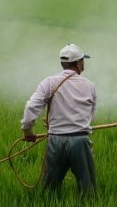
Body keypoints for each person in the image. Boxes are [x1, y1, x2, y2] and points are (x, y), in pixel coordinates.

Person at [20, 44, 97, 197]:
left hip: (56, 140)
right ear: (79, 63)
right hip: (80, 141)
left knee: (49, 191)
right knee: (88, 191)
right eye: (83, 60)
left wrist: (27, 131)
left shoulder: (49, 82)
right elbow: (90, 116)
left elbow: (31, 107)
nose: (84, 64)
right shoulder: (89, 86)